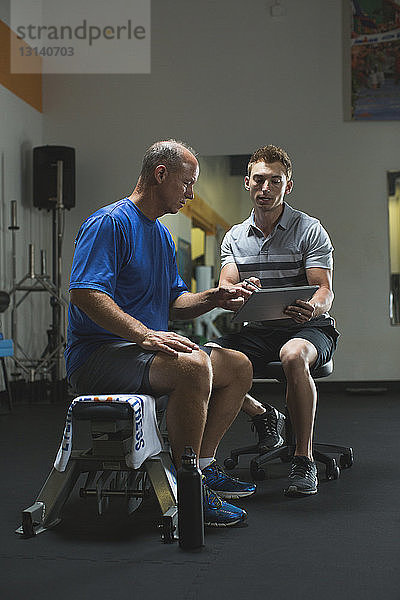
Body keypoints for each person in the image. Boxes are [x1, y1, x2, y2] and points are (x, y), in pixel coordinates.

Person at [64, 139, 256, 527]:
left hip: (139, 354)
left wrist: (215, 297)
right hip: (97, 358)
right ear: (160, 174)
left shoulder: (162, 236)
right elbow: (85, 293)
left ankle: (201, 464)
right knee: (192, 366)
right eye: (187, 183)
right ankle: (189, 489)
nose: (191, 193)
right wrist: (143, 335)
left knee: (237, 366)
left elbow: (174, 302)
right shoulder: (109, 223)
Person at [212, 144, 339, 497]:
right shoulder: (235, 237)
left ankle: (304, 459)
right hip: (259, 330)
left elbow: (324, 291)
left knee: (292, 356)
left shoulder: (309, 230)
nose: (265, 188)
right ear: (247, 183)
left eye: (274, 181)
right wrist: (235, 292)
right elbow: (226, 285)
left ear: (288, 185)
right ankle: (261, 413)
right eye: (259, 180)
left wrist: (312, 309)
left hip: (308, 327)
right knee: (205, 362)